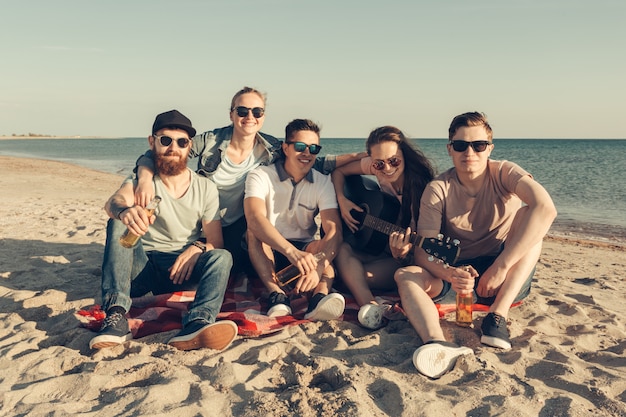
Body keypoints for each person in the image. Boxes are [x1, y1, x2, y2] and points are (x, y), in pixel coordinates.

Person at [133, 87, 364, 275]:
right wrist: (144, 177)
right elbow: (168, 153)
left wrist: (361, 157)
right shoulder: (211, 141)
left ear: (263, 116)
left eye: (257, 111)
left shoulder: (271, 147)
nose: (249, 117)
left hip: (238, 225)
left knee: (240, 259)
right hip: (204, 222)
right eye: (242, 111)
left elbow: (313, 159)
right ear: (231, 114)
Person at [395, 111, 557, 379]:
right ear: (450, 149)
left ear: (489, 148)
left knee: (531, 220)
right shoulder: (438, 189)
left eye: (478, 145)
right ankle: (437, 342)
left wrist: (501, 266)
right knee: (405, 274)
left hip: (504, 277)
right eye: (461, 145)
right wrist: (451, 274)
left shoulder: (504, 172)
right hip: (459, 279)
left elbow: (546, 208)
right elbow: (424, 251)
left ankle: (497, 317)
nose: (469, 152)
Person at [90, 109, 237, 352]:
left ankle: (197, 322)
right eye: (165, 140)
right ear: (152, 142)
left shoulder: (206, 188)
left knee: (223, 257)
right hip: (142, 269)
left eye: (181, 142)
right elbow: (113, 203)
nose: (173, 148)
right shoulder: (140, 180)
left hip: (183, 270)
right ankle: (116, 315)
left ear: (189, 146)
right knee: (117, 222)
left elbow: (216, 242)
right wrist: (125, 211)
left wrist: (198, 248)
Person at [331, 126, 436, 329]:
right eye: (379, 164)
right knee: (341, 249)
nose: (387, 168)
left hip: (403, 260)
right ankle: (370, 306)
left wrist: (402, 254)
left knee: (352, 276)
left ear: (404, 155)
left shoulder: (421, 191)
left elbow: (418, 255)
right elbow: (339, 172)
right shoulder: (376, 167)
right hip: (380, 249)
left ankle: (365, 301)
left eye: (394, 161)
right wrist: (342, 200)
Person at [244, 119, 345, 320]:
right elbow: (255, 218)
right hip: (269, 249)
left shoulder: (322, 181)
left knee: (323, 246)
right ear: (286, 148)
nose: (307, 153)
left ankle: (319, 299)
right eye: (300, 147)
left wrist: (318, 266)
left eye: (313, 148)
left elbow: (334, 229)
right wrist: (291, 252)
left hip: (303, 249)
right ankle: (277, 296)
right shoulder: (260, 175)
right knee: (253, 233)